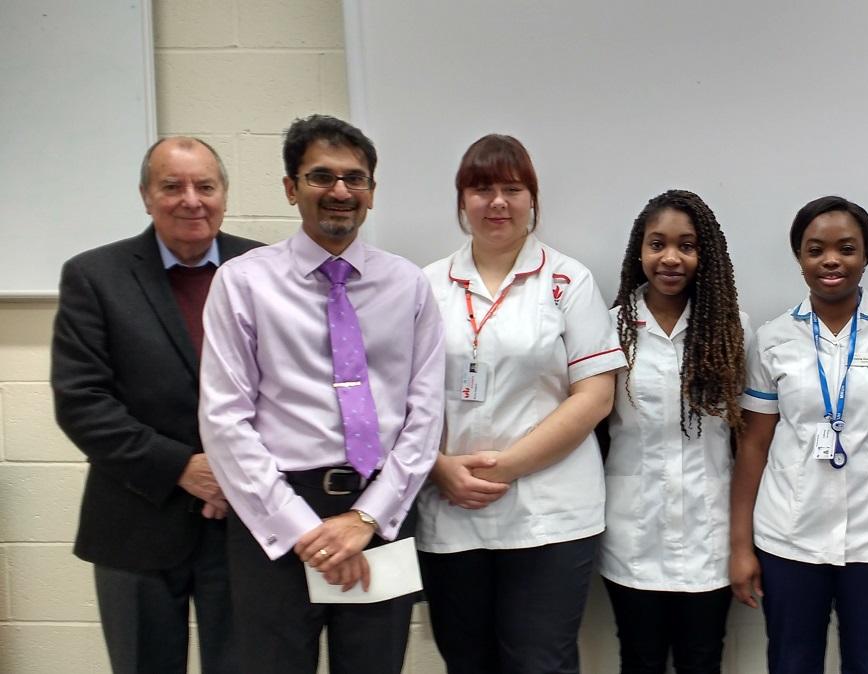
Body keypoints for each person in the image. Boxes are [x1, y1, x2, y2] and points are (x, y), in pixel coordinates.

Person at [198, 114, 445, 673]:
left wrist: (366, 520)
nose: (340, 192)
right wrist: (302, 529)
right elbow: (224, 420)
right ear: (291, 188)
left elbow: (425, 414)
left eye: (355, 179)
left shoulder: (408, 285)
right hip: (276, 520)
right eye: (321, 177)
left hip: (377, 515)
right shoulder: (243, 282)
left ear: (372, 193)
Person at [51, 136, 261, 673]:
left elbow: (298, 391)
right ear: (146, 196)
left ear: (224, 195)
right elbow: (82, 402)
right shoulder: (95, 276)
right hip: (135, 522)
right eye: (172, 186)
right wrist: (183, 469)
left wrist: (238, 474)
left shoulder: (264, 269)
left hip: (246, 526)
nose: (191, 199)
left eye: (205, 186)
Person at [417, 133, 625, 674]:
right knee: (467, 662)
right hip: (450, 505)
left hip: (548, 513)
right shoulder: (426, 285)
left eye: (513, 188)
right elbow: (396, 398)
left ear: (532, 199)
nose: (498, 202)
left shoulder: (567, 281)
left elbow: (596, 397)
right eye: (482, 189)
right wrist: (440, 469)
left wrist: (505, 467)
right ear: (462, 200)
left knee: (540, 663)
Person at [731, 196, 868, 673]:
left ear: (865, 256)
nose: (831, 260)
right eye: (815, 249)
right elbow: (753, 446)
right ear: (800, 258)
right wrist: (740, 547)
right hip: (789, 537)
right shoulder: (773, 338)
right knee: (791, 663)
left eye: (846, 248)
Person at [597, 189, 748, 673]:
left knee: (702, 660)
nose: (671, 257)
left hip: (710, 535)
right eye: (657, 244)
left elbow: (745, 439)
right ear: (638, 252)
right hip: (632, 535)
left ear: (706, 256)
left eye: (687, 245)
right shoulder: (609, 329)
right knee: (638, 660)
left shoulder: (733, 330)